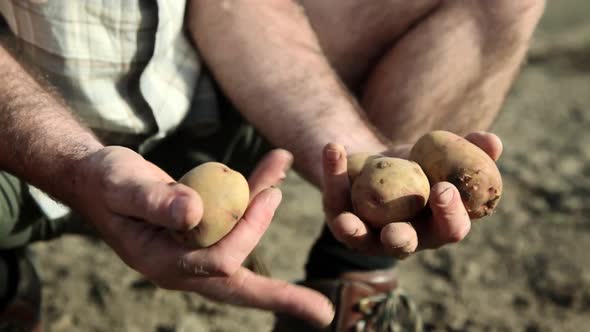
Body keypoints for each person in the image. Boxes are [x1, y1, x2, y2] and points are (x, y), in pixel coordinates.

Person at [0, 1, 545, 331]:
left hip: (191, 103)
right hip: (15, 157)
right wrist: (72, 163)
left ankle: (350, 275)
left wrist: (360, 154)